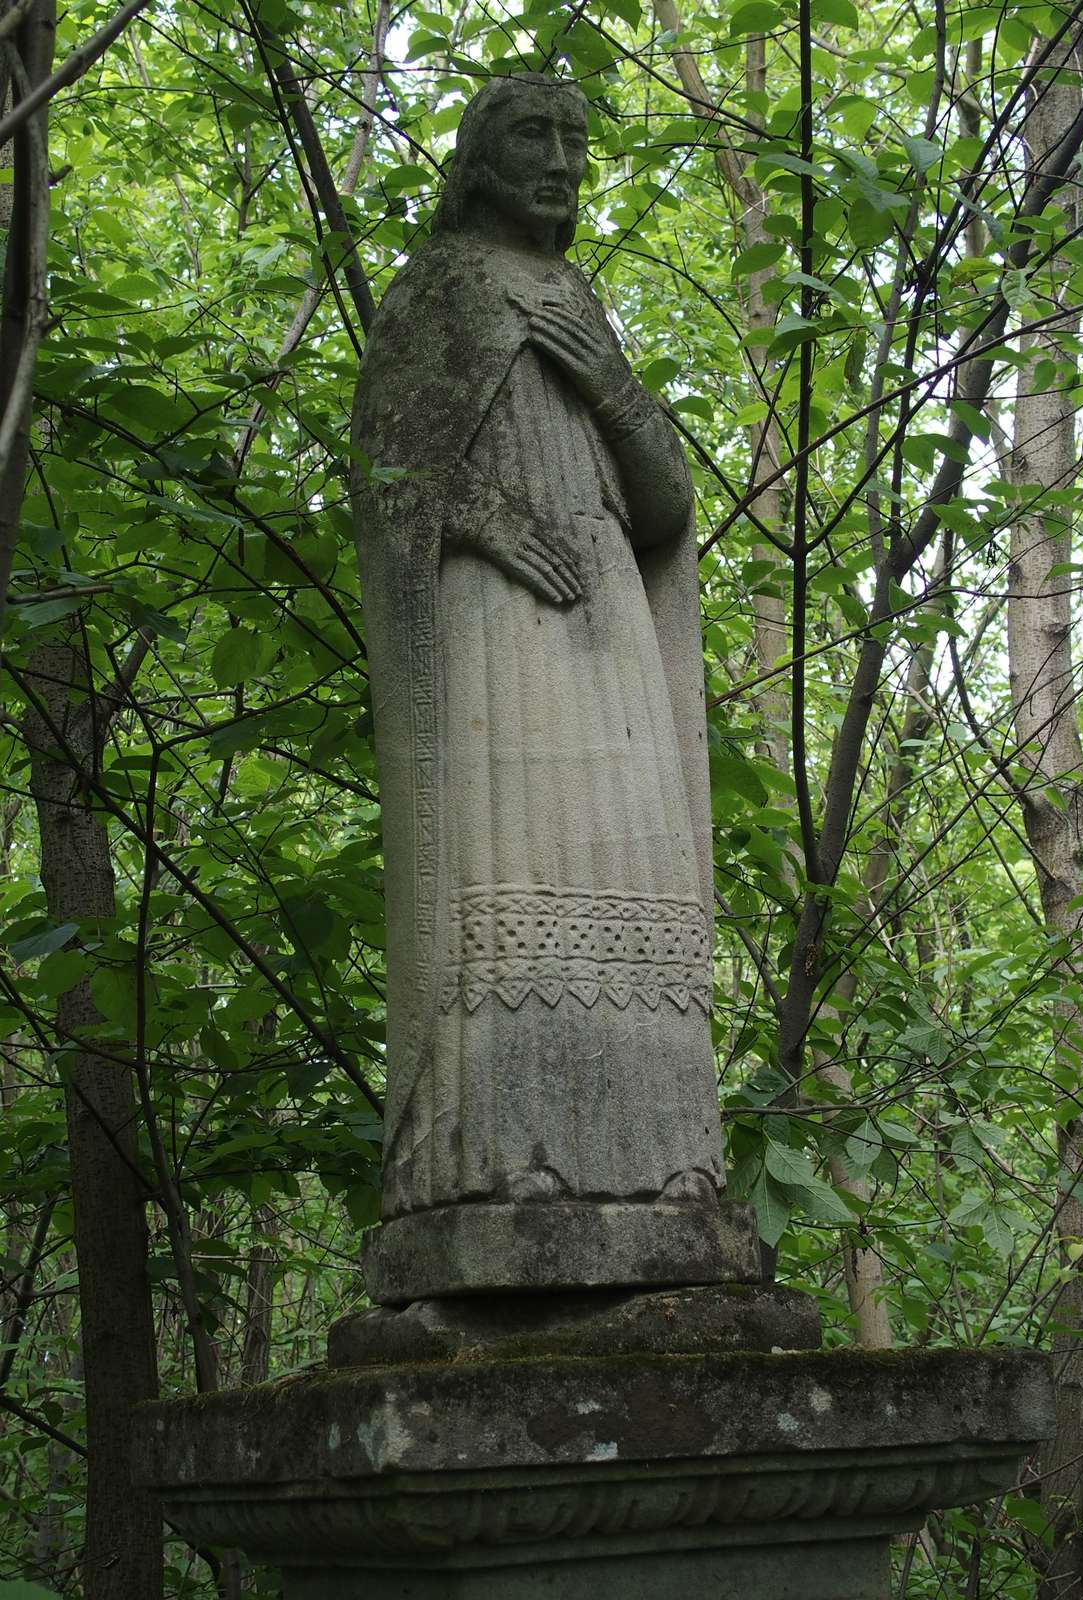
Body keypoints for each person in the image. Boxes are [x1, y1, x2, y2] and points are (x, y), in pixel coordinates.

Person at [351, 74, 726, 1261]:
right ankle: (493, 1162)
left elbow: (667, 509)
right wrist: (477, 516)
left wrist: (610, 388)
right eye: (533, 135)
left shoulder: (583, 304)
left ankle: (657, 1167)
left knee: (635, 882)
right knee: (505, 878)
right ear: (478, 158)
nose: (562, 158)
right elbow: (387, 476)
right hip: (495, 624)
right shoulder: (439, 291)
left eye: (575, 139)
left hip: (610, 620)